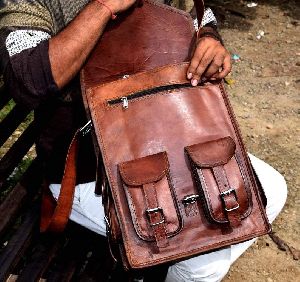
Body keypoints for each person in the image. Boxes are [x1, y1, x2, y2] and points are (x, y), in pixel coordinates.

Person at [0, 0, 287, 281]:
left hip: (169, 145)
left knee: (271, 191)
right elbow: (30, 82)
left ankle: (172, 269)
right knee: (203, 256)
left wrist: (209, 40)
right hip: (89, 174)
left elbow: (201, 16)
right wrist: (103, 6)